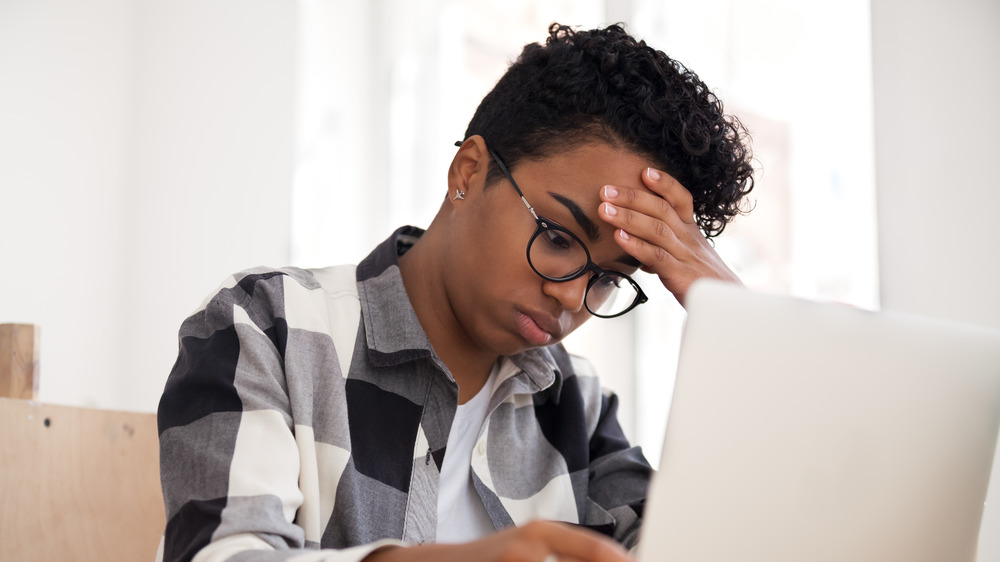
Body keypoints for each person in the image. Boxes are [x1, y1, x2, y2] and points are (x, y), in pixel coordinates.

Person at [156, 22, 754, 562]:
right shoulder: (269, 330)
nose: (574, 299)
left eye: (608, 278)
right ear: (469, 171)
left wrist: (736, 318)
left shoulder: (574, 405)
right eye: (558, 238)